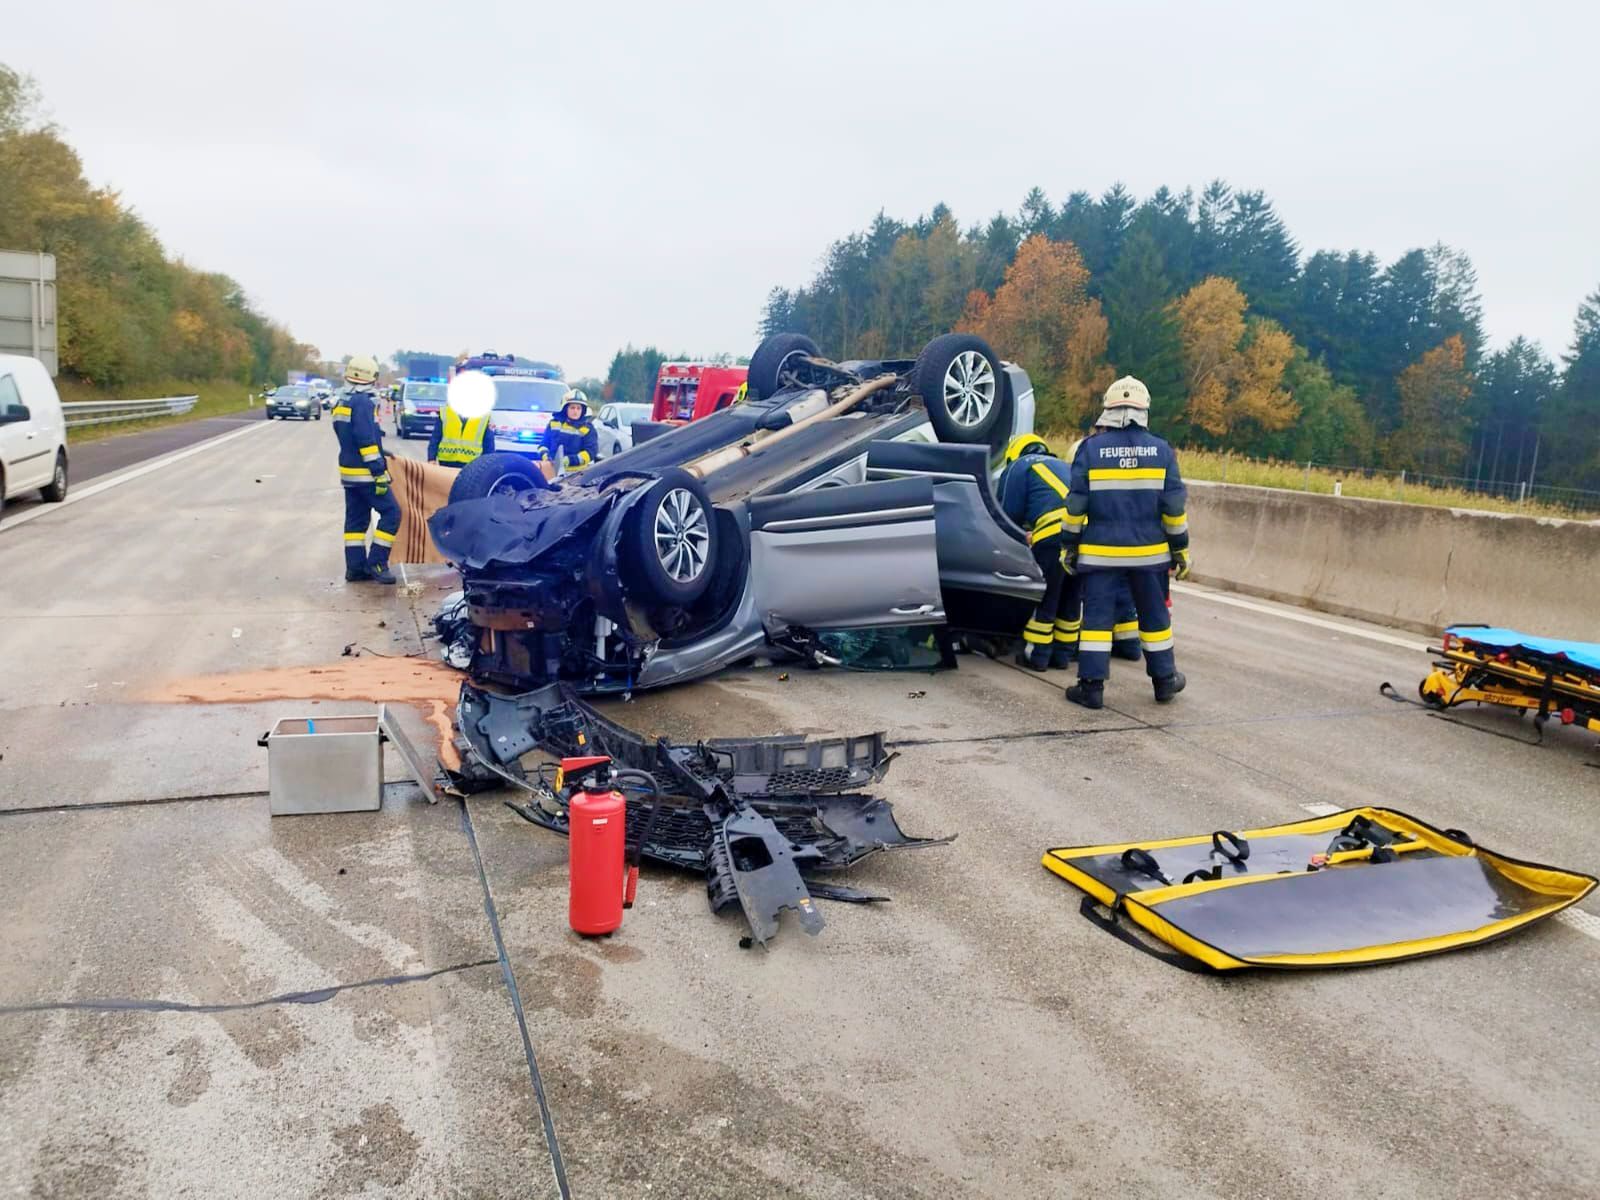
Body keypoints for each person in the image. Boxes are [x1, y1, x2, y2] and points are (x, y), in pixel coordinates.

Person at [1061, 376, 1191, 709]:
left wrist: (1069, 545)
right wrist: (1180, 549)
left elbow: (1076, 506)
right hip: (1149, 556)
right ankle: (1165, 681)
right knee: (1154, 618)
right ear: (1143, 410)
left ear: (1108, 409)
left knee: (1097, 620)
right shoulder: (1162, 451)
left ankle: (1091, 688)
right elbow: (1174, 509)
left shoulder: (1090, 449)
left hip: (1100, 555)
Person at [998, 433, 1078, 671]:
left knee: (1045, 597)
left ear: (1013, 454)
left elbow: (1007, 516)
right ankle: (1062, 656)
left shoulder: (1018, 467)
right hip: (1086, 533)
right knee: (1071, 598)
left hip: (1054, 534)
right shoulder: (1065, 466)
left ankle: (1037, 655)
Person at [333, 354, 400, 584]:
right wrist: (379, 471)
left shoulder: (342, 402)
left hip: (349, 474)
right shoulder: (362, 402)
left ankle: (355, 568)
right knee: (392, 513)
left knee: (356, 523)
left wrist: (382, 451)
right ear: (370, 377)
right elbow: (365, 440)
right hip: (366, 475)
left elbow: (350, 437)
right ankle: (377, 563)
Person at [427, 394, 496, 467]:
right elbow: (435, 437)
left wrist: (488, 464)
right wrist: (431, 458)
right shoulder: (446, 412)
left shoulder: (484, 416)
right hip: (447, 460)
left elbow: (488, 443)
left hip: (472, 463)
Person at [538, 389, 599, 470]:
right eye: (572, 408)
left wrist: (569, 460)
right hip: (552, 470)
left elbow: (590, 452)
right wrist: (545, 456)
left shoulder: (587, 428)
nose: (575, 411)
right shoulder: (554, 424)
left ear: (583, 410)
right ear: (565, 408)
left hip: (577, 474)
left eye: (578, 408)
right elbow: (543, 445)